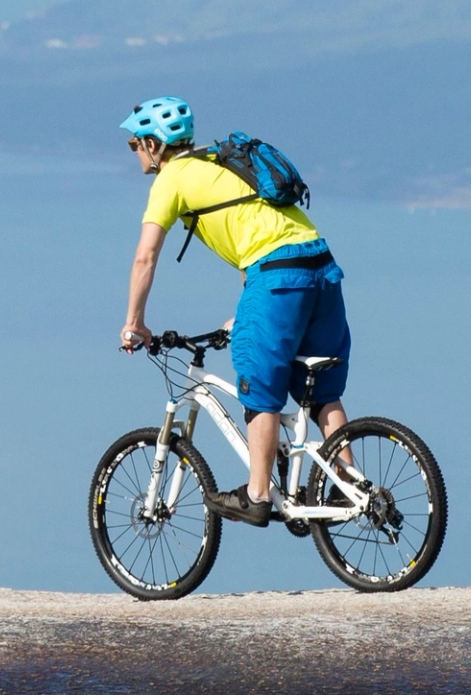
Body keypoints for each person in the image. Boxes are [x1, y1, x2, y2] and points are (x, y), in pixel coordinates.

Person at [115, 96, 345, 526]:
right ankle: (352, 488)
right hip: (320, 266)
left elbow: (145, 257)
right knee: (321, 393)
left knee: (258, 386)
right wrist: (246, 312)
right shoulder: (218, 163)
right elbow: (251, 234)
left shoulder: (172, 180)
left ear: (152, 144)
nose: (134, 153)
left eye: (135, 145)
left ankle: (257, 495)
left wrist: (134, 323)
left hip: (276, 274)